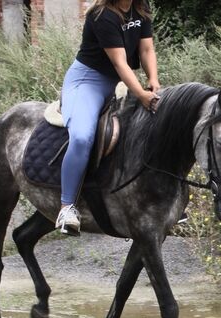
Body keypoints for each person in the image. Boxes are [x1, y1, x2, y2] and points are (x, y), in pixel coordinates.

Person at [56, 0, 160, 235]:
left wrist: (153, 79)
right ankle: (66, 207)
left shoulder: (140, 8)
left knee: (158, 124)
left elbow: (146, 49)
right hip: (87, 82)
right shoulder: (102, 15)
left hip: (117, 82)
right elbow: (119, 62)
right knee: (82, 137)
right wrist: (141, 94)